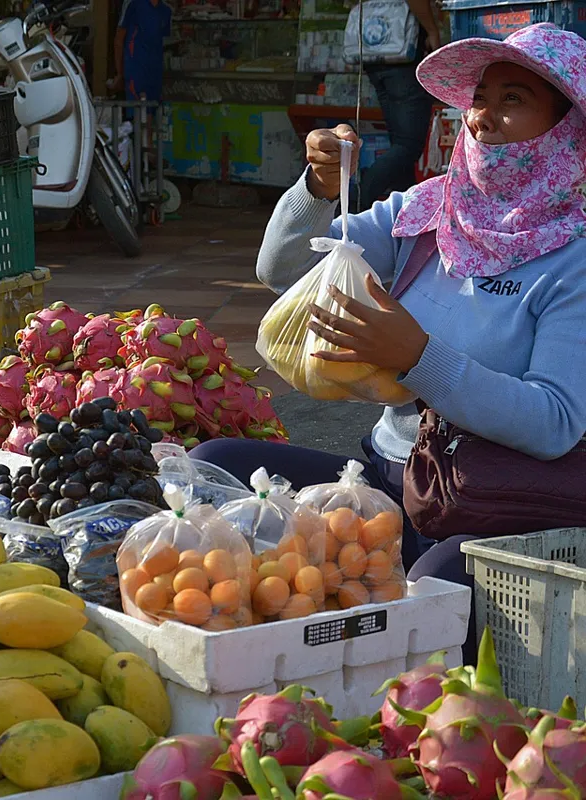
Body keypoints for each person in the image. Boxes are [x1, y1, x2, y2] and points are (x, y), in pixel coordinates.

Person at [190, 23, 586, 664]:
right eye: (479, 98)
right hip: (383, 482)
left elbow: (554, 421)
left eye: (513, 99)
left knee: (428, 596)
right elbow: (283, 269)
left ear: (566, 127)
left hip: (485, 507)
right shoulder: (428, 212)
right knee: (214, 467)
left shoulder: (574, 260)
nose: (483, 117)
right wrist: (318, 190)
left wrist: (417, 358)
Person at [358, 0, 440, 209]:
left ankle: (406, 210)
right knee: (408, 145)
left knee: (400, 144)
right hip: (403, 59)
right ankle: (358, 201)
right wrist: (432, 31)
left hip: (377, 56)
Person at [111, 0, 171, 106]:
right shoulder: (133, 4)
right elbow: (119, 39)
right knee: (137, 111)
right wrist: (120, 73)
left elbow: (163, 40)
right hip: (136, 72)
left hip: (155, 74)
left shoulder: (166, 10)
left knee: (152, 110)